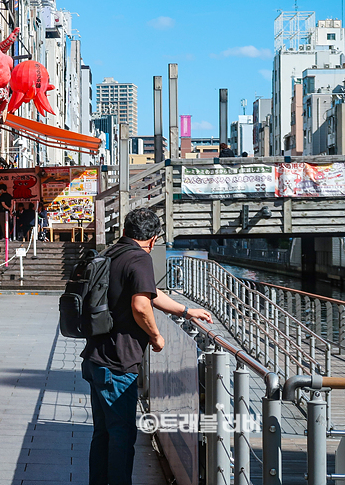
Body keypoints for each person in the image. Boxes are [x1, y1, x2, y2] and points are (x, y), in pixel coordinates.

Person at [81, 208, 213, 485]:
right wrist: (156, 336)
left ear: (127, 231)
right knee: (123, 435)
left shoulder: (112, 252)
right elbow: (141, 304)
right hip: (117, 362)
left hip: (96, 356)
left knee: (103, 433)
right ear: (154, 239)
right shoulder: (140, 258)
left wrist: (185, 311)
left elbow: (150, 292)